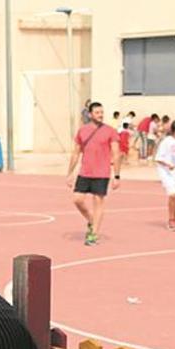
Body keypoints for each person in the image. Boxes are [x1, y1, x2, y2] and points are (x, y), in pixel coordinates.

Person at [66, 102, 122, 246]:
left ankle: (94, 234)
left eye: (102, 112)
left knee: (98, 202)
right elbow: (76, 152)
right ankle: (92, 220)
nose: (100, 115)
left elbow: (116, 154)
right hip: (85, 172)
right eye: (97, 112)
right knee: (77, 199)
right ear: (90, 114)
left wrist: (116, 176)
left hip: (102, 173)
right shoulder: (82, 131)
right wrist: (69, 173)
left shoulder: (110, 131)